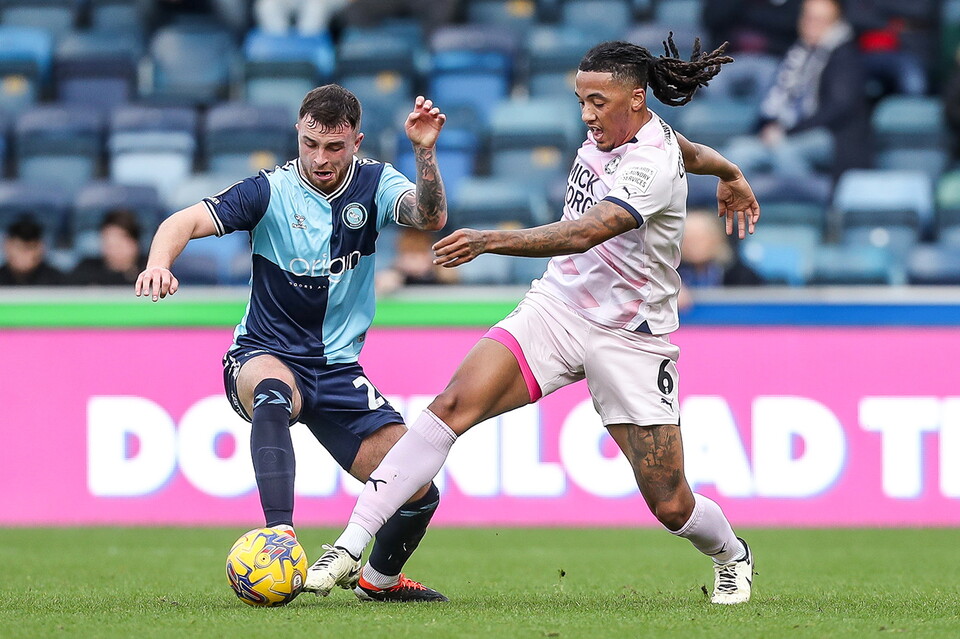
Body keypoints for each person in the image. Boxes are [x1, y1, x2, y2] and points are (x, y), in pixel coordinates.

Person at [307, 38, 761, 605]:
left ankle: (731, 554)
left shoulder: (649, 162)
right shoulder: (629, 135)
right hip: (559, 307)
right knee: (451, 405)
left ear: (637, 100)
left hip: (632, 338)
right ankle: (352, 542)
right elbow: (695, 153)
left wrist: (490, 240)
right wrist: (732, 173)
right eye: (581, 101)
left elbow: (586, 231)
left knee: (670, 502)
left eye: (598, 101)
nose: (587, 115)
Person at [135, 85, 451, 602]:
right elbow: (184, 220)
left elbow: (429, 217)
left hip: (337, 368)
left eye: (334, 147)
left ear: (356, 142)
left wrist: (423, 151)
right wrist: (158, 264)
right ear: (298, 137)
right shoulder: (269, 191)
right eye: (310, 145)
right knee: (274, 391)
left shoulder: (375, 183)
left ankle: (379, 581)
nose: (320, 159)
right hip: (263, 353)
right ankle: (279, 534)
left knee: (416, 487)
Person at [723, 0, 871, 180]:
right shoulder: (795, 53)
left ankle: (809, 203)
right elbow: (774, 100)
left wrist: (787, 132)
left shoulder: (845, 57)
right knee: (737, 152)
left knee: (785, 152)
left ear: (835, 23)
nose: (811, 25)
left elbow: (837, 109)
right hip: (786, 131)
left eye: (820, 20)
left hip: (827, 135)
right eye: (808, 18)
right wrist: (768, 128)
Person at [70, 209, 146, 286]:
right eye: (109, 245)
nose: (113, 251)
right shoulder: (86, 270)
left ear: (134, 243)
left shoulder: (148, 271)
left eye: (118, 245)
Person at [375, 227, 458, 296]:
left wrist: (434, 265)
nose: (415, 260)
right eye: (410, 254)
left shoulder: (438, 268)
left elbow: (452, 277)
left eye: (419, 252)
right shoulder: (396, 272)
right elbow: (385, 284)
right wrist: (397, 273)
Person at [0, 215, 65, 286]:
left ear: (41, 248)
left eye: (30, 247)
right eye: (19, 247)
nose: (24, 253)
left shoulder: (62, 282)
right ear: (7, 246)